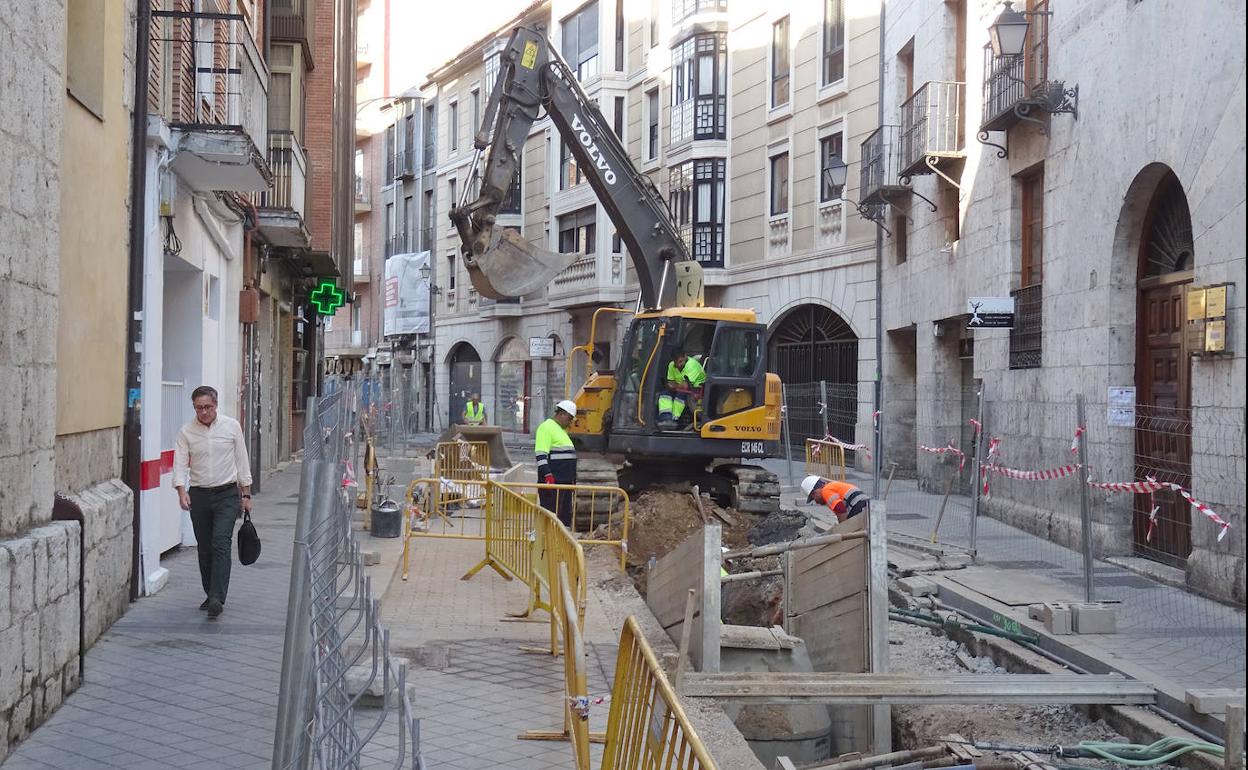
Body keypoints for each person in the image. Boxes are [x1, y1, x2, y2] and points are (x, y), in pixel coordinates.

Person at [173, 385, 253, 619]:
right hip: (199, 495)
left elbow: (242, 460)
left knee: (220, 542)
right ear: (194, 408)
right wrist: (181, 491)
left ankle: (218, 597)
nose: (204, 412)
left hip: (227, 494)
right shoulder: (187, 432)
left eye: (208, 407)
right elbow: (179, 463)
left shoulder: (231, 427)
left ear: (216, 405)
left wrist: (245, 494)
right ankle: (210, 592)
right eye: (199, 408)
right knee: (205, 547)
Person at [535, 400, 579, 526]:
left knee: (563, 519)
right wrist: (548, 475)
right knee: (551, 517)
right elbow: (541, 455)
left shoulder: (561, 430)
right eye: (569, 418)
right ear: (562, 414)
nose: (570, 422)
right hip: (553, 483)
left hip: (564, 483)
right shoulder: (546, 427)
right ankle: (547, 543)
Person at [657, 350, 706, 428]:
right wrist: (675, 386)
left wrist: (674, 385)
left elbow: (685, 386)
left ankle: (674, 419)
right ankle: (665, 418)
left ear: (685, 356)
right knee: (664, 394)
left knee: (680, 396)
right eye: (676, 362)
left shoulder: (692, 365)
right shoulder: (671, 365)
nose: (678, 364)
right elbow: (669, 383)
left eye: (681, 361)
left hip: (696, 392)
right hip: (679, 390)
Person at [801, 474, 869, 523]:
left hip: (857, 506)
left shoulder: (825, 490)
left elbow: (840, 509)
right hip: (864, 505)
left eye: (813, 497)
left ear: (815, 491)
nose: (816, 501)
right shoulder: (832, 486)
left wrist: (842, 529)